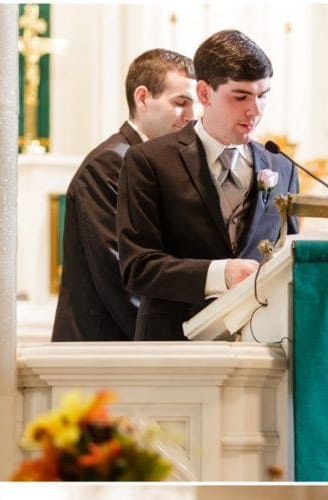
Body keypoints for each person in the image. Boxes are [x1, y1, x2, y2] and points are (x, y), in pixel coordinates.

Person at [117, 29, 298, 341]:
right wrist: (220, 274)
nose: (254, 110)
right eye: (240, 96)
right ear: (204, 94)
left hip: (261, 347)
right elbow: (138, 268)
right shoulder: (149, 160)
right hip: (173, 346)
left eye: (263, 96)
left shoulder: (281, 166)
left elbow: (289, 259)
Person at [51, 49, 196, 342]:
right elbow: (119, 273)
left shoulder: (156, 162)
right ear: (142, 98)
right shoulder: (110, 164)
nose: (191, 117)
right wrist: (176, 345)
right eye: (181, 103)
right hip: (102, 348)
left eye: (194, 105)